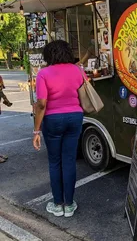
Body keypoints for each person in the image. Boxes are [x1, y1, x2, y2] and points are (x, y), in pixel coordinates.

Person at [32, 40, 84, 217]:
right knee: (69, 161)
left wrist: (36, 131)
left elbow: (41, 104)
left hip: (53, 119)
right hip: (75, 117)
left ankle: (57, 204)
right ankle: (69, 205)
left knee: (55, 162)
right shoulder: (77, 70)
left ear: (48, 55)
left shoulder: (43, 74)